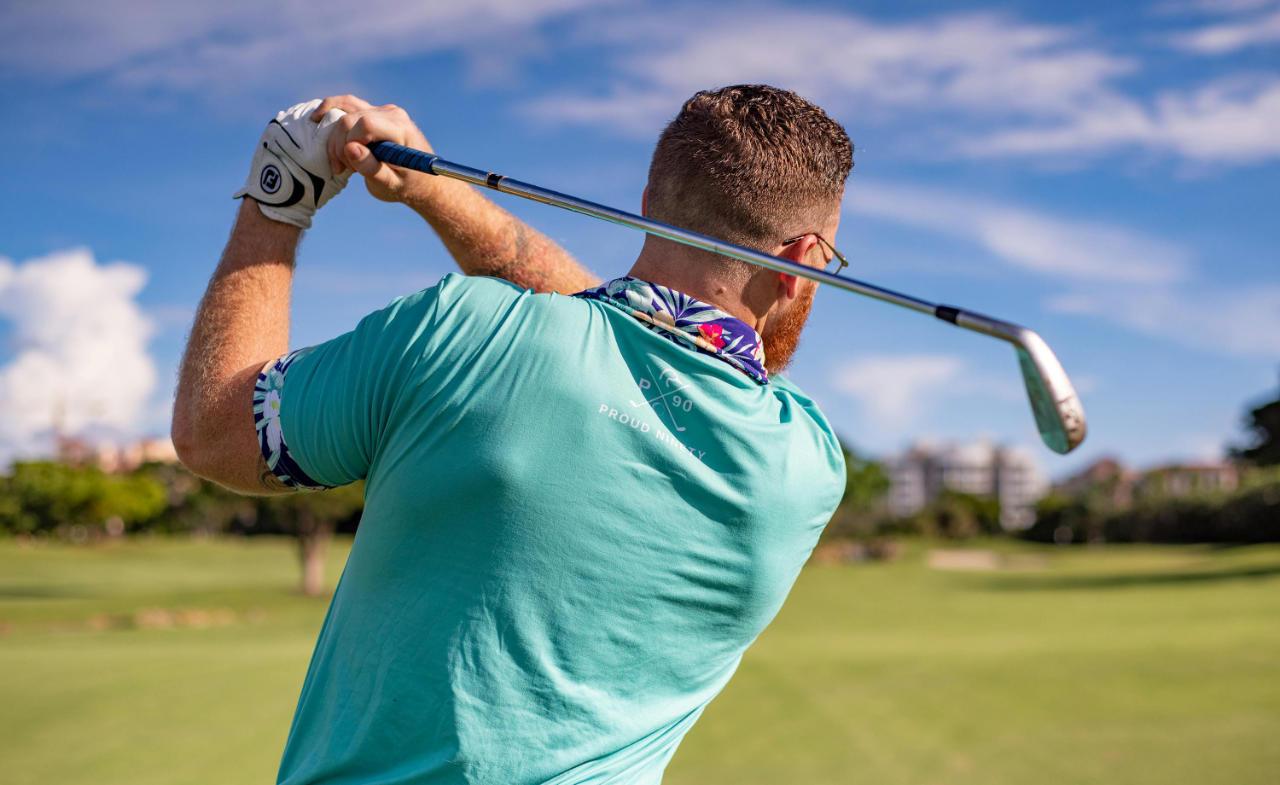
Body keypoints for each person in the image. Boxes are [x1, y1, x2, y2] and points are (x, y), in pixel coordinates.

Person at [172, 84, 853, 785]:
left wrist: (281, 192)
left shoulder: (459, 328)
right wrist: (433, 190)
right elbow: (636, 334)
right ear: (802, 260)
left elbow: (214, 431)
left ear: (649, 202)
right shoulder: (804, 464)